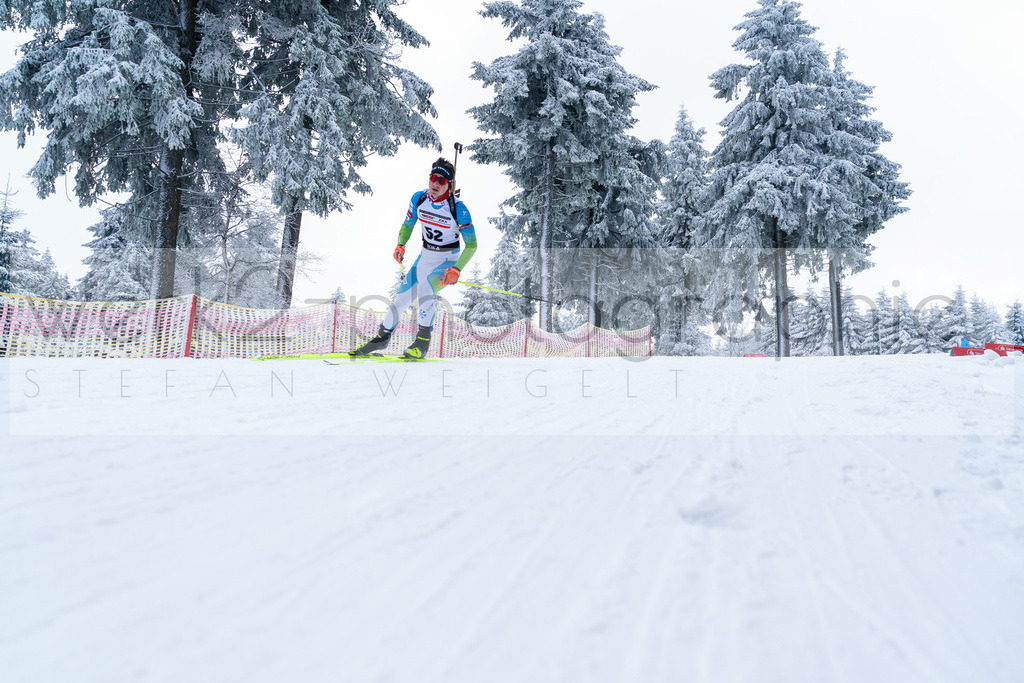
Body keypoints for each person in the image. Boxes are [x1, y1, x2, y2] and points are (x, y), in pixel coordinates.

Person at [352, 157, 477, 358]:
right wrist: (401, 244)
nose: (436, 184)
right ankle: (381, 339)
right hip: (424, 258)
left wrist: (456, 269)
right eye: (433, 178)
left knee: (426, 290)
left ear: (450, 185)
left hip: (447, 261)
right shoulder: (419, 199)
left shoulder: (458, 209)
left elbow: (472, 245)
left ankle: (422, 344)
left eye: (442, 181)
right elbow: (408, 224)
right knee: (400, 300)